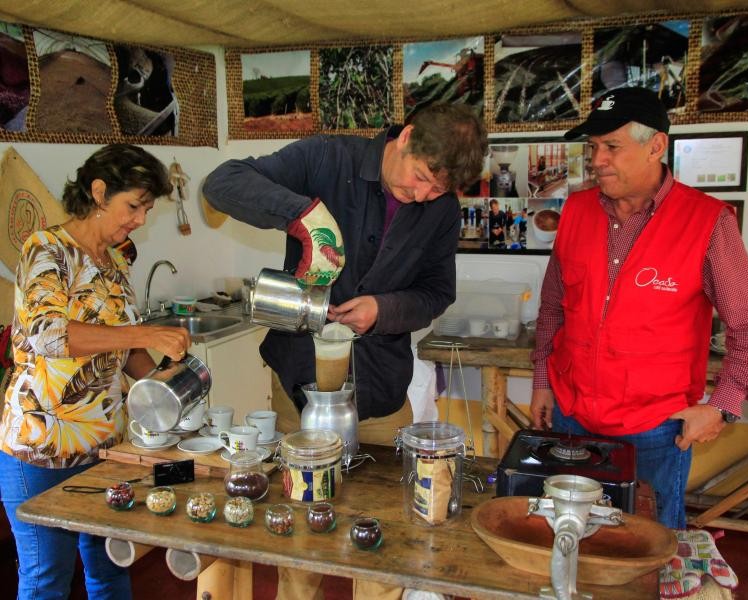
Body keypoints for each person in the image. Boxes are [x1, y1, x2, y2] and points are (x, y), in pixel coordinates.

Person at [204, 102, 487, 600]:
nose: (422, 195)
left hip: (379, 389)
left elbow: (437, 293)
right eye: (420, 177)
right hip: (301, 385)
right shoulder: (327, 159)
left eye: (436, 190)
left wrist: (384, 309)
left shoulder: (440, 211)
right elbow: (222, 182)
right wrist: (303, 214)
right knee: (300, 529)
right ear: (407, 137)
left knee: (386, 532)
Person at [528, 87, 748, 529]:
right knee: (570, 536)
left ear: (656, 146)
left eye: (612, 147)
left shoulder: (707, 221)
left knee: (645, 548)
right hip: (572, 417)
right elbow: (552, 308)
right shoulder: (578, 211)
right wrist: (543, 380)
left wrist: (721, 406)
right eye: (593, 147)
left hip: (654, 430)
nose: (597, 159)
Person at [0, 144, 190, 599]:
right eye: (134, 206)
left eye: (146, 209)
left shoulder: (115, 262)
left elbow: (121, 354)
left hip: (104, 450)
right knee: (48, 579)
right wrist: (144, 333)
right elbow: (49, 335)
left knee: (108, 573)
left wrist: (169, 392)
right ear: (99, 191)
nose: (140, 219)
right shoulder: (46, 250)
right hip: (42, 448)